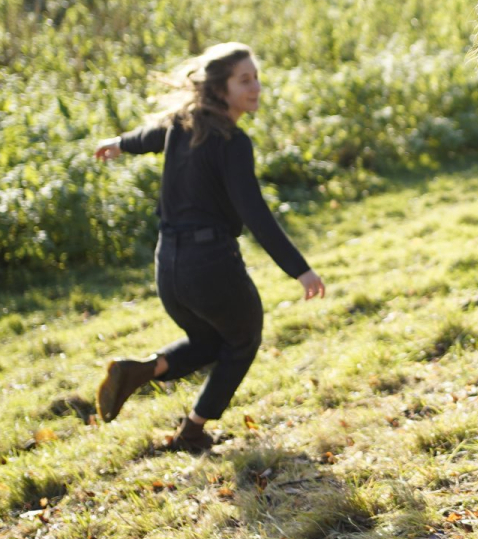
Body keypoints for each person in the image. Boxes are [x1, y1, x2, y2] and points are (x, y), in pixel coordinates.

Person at [90, 43, 324, 452]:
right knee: (243, 338)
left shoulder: (183, 125)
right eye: (244, 80)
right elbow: (254, 213)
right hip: (211, 266)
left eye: (256, 77)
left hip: (169, 266)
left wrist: (120, 143)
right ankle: (193, 431)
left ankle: (142, 370)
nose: (256, 87)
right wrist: (299, 269)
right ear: (219, 89)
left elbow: (151, 136)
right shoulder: (232, 143)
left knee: (209, 343)